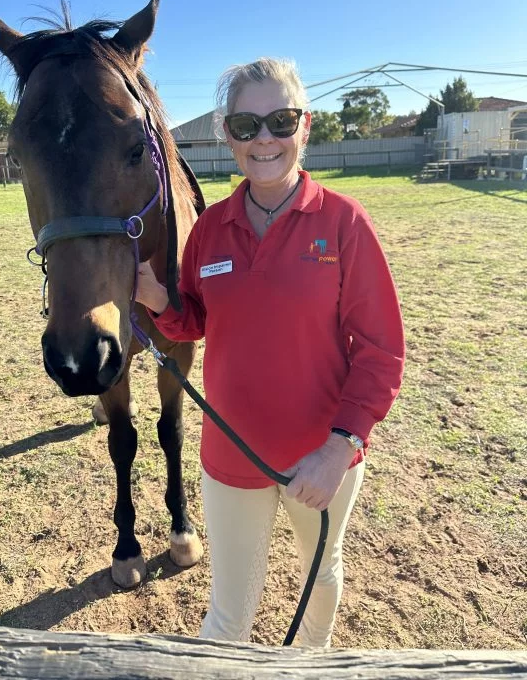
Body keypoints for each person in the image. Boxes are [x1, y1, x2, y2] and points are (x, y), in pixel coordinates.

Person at [136, 57, 405, 647]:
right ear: (226, 136)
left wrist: (338, 450)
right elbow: (197, 323)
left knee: (320, 577)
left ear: (304, 127)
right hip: (230, 456)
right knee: (228, 617)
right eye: (246, 125)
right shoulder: (210, 229)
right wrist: (157, 299)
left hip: (321, 461)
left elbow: (382, 351)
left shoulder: (343, 224)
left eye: (281, 121)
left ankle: (313, 660)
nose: (265, 139)